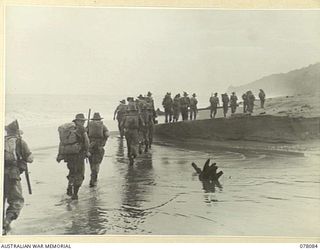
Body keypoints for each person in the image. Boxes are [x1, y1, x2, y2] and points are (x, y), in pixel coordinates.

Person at [3, 120, 34, 235]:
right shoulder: (21, 142)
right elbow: (30, 158)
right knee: (16, 201)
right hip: (12, 175)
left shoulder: (2, 141)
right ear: (17, 132)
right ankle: (7, 221)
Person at [57, 113, 90, 200]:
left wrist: (60, 154)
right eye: (82, 121)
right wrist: (87, 151)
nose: (83, 123)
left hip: (68, 155)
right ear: (78, 121)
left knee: (72, 172)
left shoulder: (68, 130)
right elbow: (86, 141)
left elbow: (61, 142)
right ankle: (75, 193)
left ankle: (69, 187)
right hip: (78, 155)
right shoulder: (81, 129)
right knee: (80, 174)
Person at [87, 112, 110, 187]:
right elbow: (107, 134)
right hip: (99, 147)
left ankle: (93, 175)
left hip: (90, 147)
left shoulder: (89, 125)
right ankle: (94, 177)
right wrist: (104, 141)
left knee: (91, 162)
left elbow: (84, 135)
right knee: (97, 163)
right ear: (100, 119)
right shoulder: (102, 126)